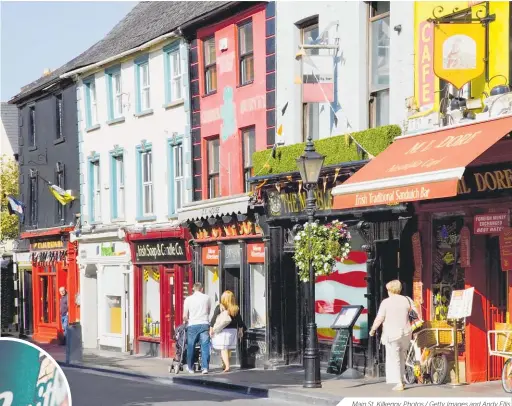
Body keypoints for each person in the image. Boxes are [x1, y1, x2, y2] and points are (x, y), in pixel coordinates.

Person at [369, 279, 419, 391]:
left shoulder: (386, 302)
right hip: (406, 333)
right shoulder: (407, 300)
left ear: (391, 290)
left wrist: (373, 329)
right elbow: (415, 315)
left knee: (394, 359)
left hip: (392, 335)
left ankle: (399, 382)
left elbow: (379, 318)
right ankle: (401, 379)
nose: (387, 292)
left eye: (388, 290)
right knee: (402, 357)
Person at [210, 290, 246, 373]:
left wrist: (211, 329)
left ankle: (227, 366)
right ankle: (224, 364)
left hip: (223, 330)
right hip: (232, 331)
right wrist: (240, 330)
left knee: (223, 349)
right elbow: (239, 321)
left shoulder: (220, 307)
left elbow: (213, 319)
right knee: (228, 349)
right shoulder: (235, 308)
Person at [183, 282, 211, 375]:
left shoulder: (188, 299)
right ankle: (205, 368)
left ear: (193, 289)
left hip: (193, 325)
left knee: (191, 346)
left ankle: (190, 367)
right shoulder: (207, 298)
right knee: (205, 346)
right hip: (204, 324)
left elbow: (185, 315)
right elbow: (209, 311)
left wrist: (186, 320)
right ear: (202, 289)